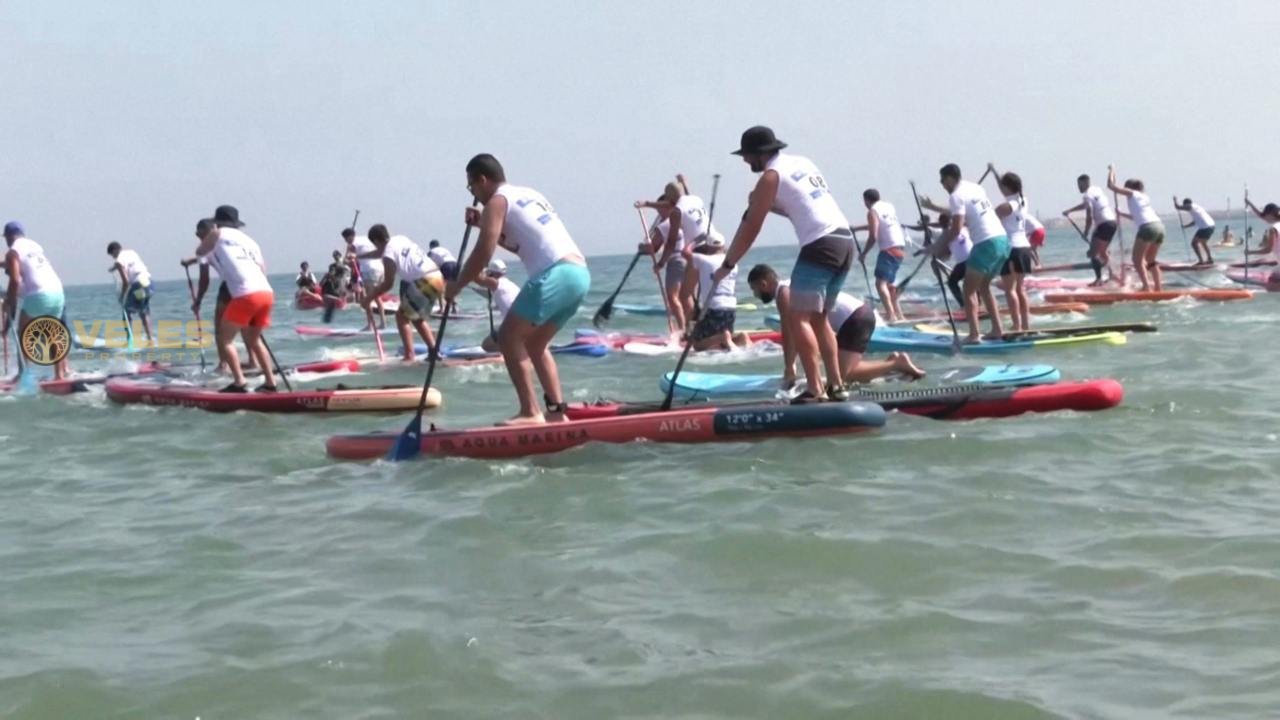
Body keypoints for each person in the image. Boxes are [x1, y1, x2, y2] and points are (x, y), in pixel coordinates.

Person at [445, 153, 591, 425]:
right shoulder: (528, 194)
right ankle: (557, 413)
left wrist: (457, 285)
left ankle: (530, 412)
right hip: (579, 274)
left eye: (471, 187)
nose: (474, 194)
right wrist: (482, 223)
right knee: (535, 343)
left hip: (556, 273)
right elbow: (516, 244)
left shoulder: (497, 202)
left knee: (509, 337)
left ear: (482, 180)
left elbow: (483, 251)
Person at [712, 126, 852, 403]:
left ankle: (815, 389)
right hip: (844, 240)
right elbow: (797, 204)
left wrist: (728, 264)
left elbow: (751, 227)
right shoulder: (802, 162)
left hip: (820, 244)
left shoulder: (770, 176)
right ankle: (837, 385)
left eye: (747, 155)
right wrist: (762, 204)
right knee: (819, 318)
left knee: (798, 317)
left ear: (759, 154)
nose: (744, 161)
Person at [748, 264, 923, 387]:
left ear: (763, 284)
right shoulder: (790, 286)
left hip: (855, 318)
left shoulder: (783, 294)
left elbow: (789, 334)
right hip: (858, 315)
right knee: (841, 372)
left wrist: (789, 368)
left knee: (845, 375)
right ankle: (890, 366)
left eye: (754, 289)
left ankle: (896, 364)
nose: (755, 294)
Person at [190, 206, 276, 392]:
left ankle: (240, 382)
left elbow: (200, 251)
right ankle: (270, 383)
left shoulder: (217, 233)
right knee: (254, 340)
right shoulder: (251, 242)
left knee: (224, 338)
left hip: (245, 294)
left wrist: (199, 256)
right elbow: (262, 269)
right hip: (266, 292)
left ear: (217, 222)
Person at [921, 164, 1010, 342]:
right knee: (984, 287)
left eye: (942, 180)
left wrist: (935, 248)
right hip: (1002, 240)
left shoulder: (956, 196)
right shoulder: (975, 188)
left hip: (986, 243)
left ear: (950, 178)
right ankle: (997, 330)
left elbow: (955, 228)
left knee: (967, 289)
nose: (942, 184)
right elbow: (960, 211)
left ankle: (974, 334)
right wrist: (933, 207)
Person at [360, 224, 441, 363]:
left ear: (376, 241)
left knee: (402, 317)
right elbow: (381, 252)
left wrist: (368, 298)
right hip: (437, 276)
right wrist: (360, 256)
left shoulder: (388, 255)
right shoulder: (399, 239)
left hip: (424, 280)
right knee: (416, 317)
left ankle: (409, 356)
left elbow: (388, 284)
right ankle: (434, 352)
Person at [3, 222, 71, 381]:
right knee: (54, 335)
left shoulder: (12, 252)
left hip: (39, 294)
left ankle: (23, 375)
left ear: (8, 237)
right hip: (58, 292)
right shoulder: (34, 246)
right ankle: (59, 375)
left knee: (23, 334)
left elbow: (13, 280)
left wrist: (9, 304)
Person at [984, 164, 1032, 332]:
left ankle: (1017, 325)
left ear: (1007, 187)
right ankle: (1025, 325)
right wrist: (995, 172)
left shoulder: (1006, 206)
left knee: (1010, 290)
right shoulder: (1022, 201)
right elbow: (1004, 187)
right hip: (1025, 248)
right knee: (1020, 289)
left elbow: (988, 217)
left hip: (1011, 249)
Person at [681, 235, 750, 351]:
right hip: (730, 308)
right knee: (724, 343)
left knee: (697, 345)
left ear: (708, 247)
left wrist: (697, 239)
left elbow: (685, 252)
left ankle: (722, 338)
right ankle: (741, 337)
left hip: (714, 307)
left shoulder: (702, 259)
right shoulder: (733, 264)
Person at [1108, 167, 1165, 291]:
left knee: (1137, 260)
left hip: (1148, 228)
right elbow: (1137, 216)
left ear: (1129, 187)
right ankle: (1158, 288)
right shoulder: (1144, 197)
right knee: (1150, 260)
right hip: (1159, 226)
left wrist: (1111, 171)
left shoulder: (1132, 193)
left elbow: (1111, 186)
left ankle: (1146, 287)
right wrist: (1121, 214)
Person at [855, 188, 908, 323]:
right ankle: (899, 315)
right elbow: (879, 225)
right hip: (900, 248)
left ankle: (891, 316)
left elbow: (873, 235)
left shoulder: (872, 211)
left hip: (888, 250)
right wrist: (856, 229)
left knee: (880, 284)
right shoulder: (888, 207)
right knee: (889, 284)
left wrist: (864, 254)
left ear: (866, 200)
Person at [1062, 174, 1119, 286]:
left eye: (1079, 185)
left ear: (1084, 183)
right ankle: (1112, 274)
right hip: (1112, 222)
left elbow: (1089, 216)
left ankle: (1098, 279)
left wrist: (1086, 232)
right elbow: (1085, 205)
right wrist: (1070, 210)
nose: (1078, 187)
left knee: (1092, 253)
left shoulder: (1087, 195)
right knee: (1102, 252)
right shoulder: (1096, 190)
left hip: (1103, 224)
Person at [107, 241, 155, 344]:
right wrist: (113, 268)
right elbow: (128, 264)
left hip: (138, 286)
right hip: (149, 283)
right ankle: (150, 339)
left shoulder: (118, 261)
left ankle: (129, 340)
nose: (114, 258)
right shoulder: (131, 252)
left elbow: (126, 282)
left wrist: (122, 297)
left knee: (126, 311)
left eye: (112, 255)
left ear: (115, 251)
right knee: (144, 312)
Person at [469, 258, 521, 352]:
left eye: (489, 273)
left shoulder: (495, 283)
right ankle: (517, 347)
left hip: (514, 325)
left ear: (492, 273)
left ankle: (512, 351)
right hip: (525, 321)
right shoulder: (510, 284)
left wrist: (480, 266)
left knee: (486, 345)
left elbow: (476, 278)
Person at [343, 227, 386, 328]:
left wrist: (346, 260)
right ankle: (377, 323)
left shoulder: (353, 244)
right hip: (380, 269)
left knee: (369, 297)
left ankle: (373, 324)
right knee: (371, 296)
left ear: (350, 237)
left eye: (346, 239)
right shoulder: (366, 239)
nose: (345, 241)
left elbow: (350, 261)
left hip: (369, 270)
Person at [1243, 200, 1280, 288]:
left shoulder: (1273, 229)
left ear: (1270, 214)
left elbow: (1268, 250)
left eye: (1265, 215)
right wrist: (1250, 204)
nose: (1264, 218)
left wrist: (1250, 252)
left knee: (1272, 277)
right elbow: (1261, 215)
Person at [1175, 197, 1216, 264]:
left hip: (1205, 227)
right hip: (1211, 226)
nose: (1185, 208)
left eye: (1185, 206)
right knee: (1203, 243)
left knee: (1194, 243)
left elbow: (1178, 207)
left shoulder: (1191, 206)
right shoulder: (1196, 209)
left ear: (1186, 204)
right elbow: (1194, 222)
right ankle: (1210, 259)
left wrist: (1175, 200)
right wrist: (1185, 226)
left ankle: (1201, 261)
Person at [428, 239, 459, 315]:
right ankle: (454, 308)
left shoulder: (431, 252)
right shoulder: (444, 250)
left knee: (439, 288)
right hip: (455, 265)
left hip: (446, 265)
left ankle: (442, 309)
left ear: (431, 246)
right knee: (451, 287)